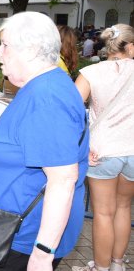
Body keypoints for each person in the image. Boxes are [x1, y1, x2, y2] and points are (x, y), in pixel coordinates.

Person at [0, 12, 88, 270]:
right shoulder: (41, 86)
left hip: (25, 239)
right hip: (11, 230)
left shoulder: (47, 97)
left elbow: (63, 180)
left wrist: (42, 253)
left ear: (31, 50)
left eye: (5, 46)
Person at [72, 24, 134, 271]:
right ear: (130, 47)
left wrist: (82, 146)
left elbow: (72, 112)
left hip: (102, 151)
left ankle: (101, 267)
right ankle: (118, 263)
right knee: (124, 208)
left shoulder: (91, 72)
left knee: (103, 214)